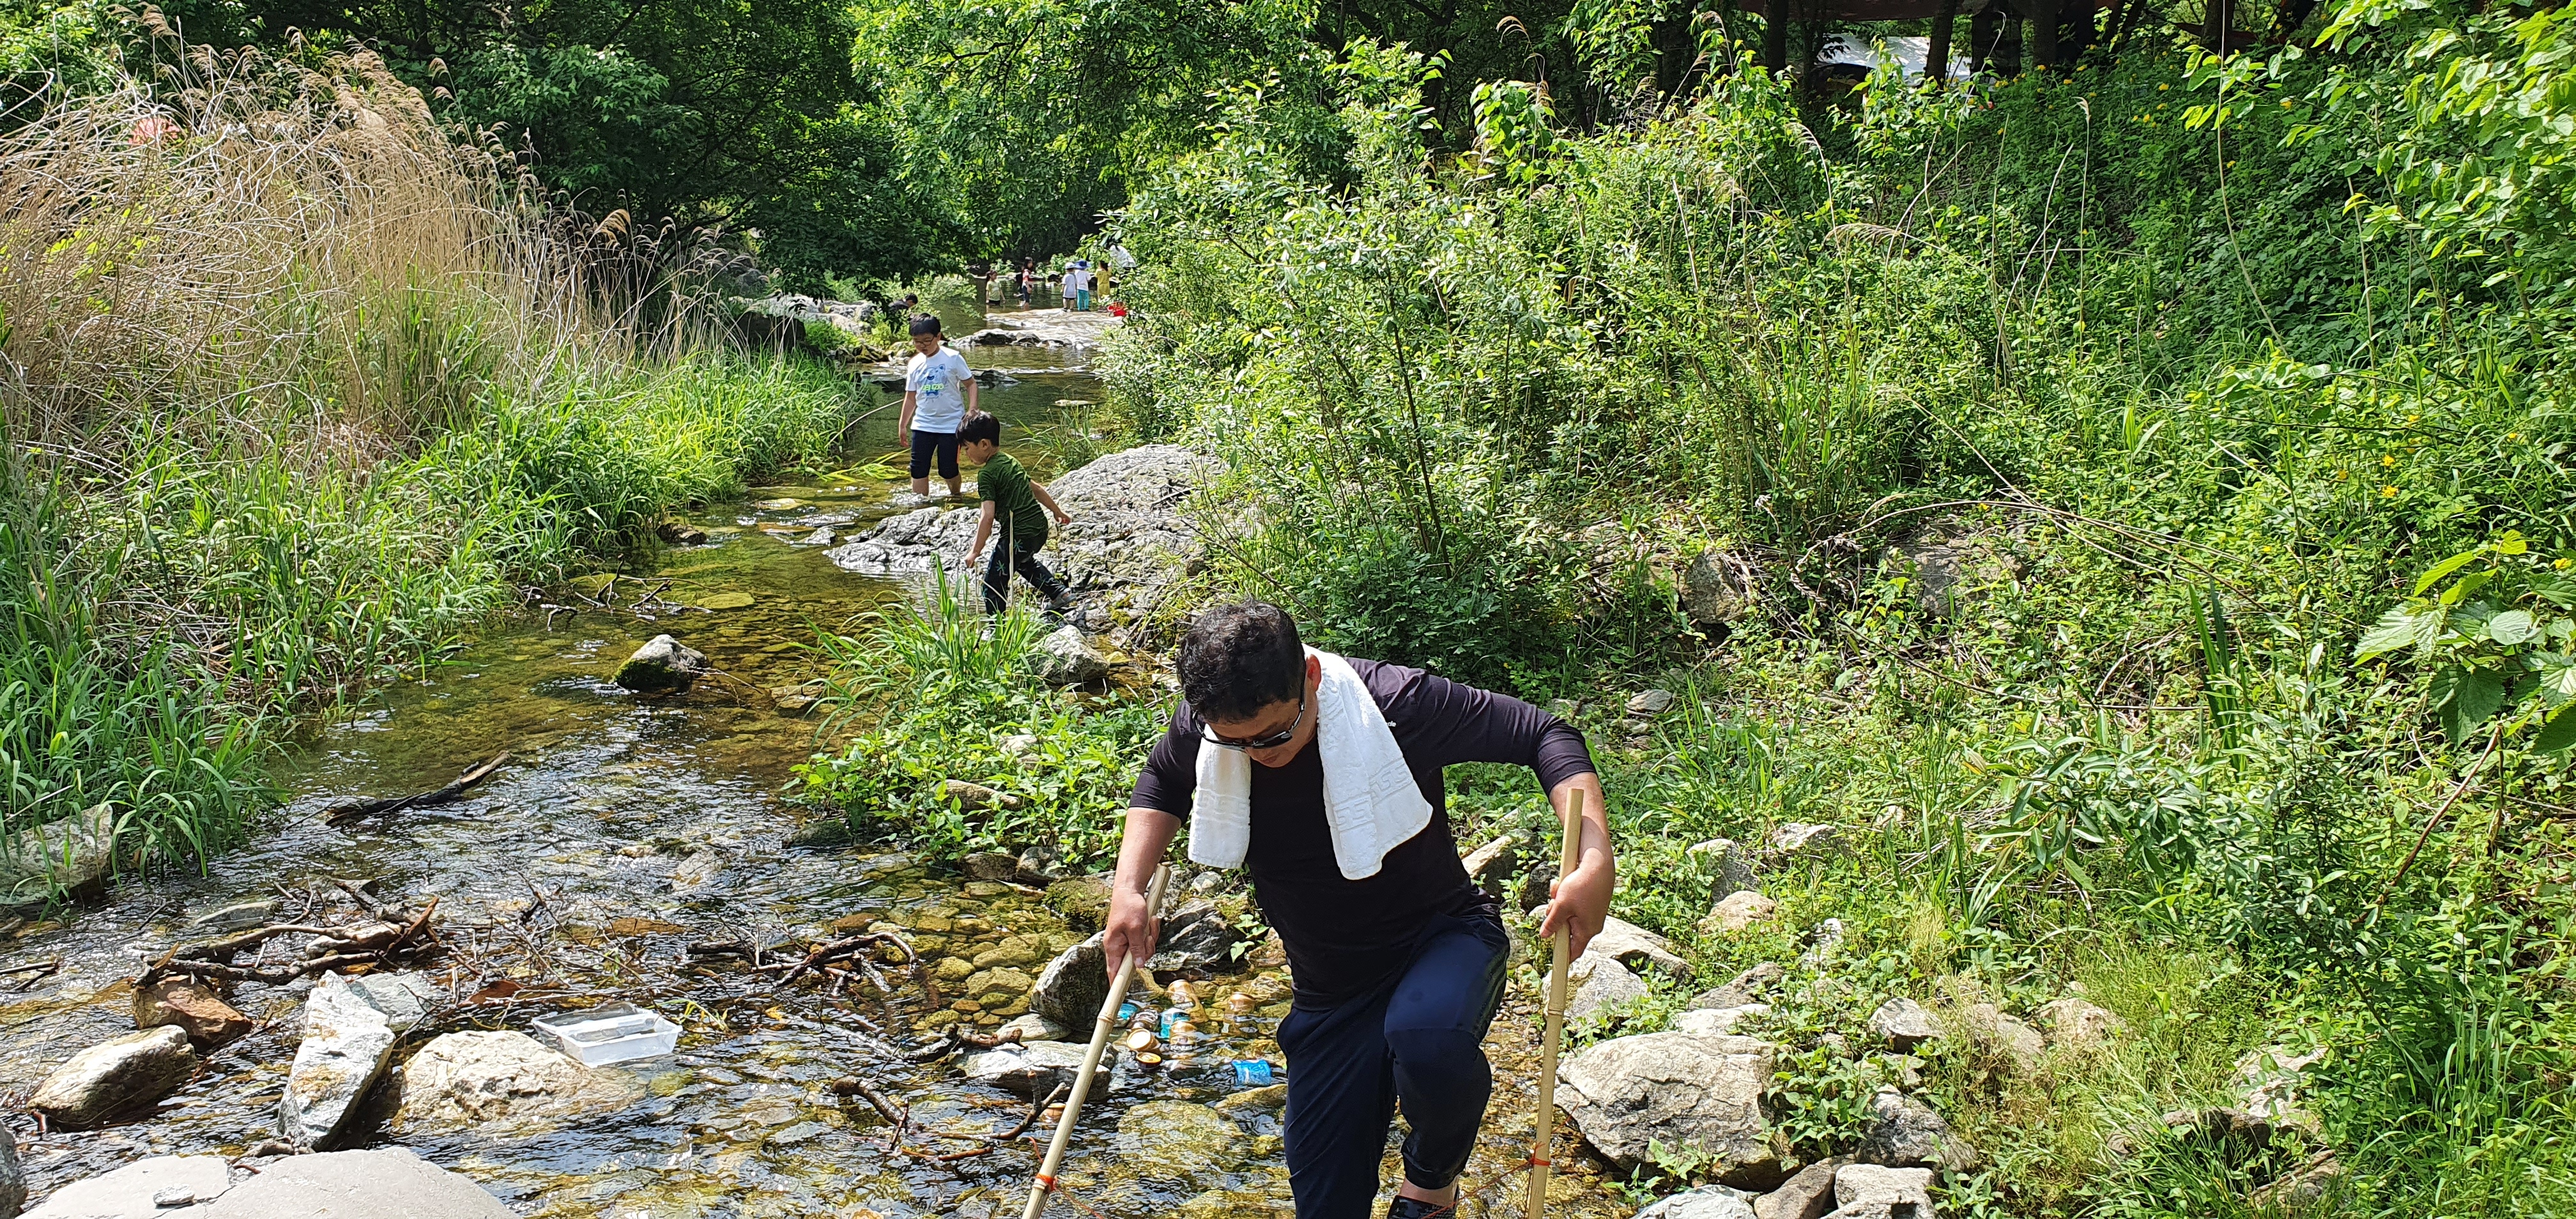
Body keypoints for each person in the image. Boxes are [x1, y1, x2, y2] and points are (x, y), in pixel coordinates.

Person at [1105, 603, 1614, 1219]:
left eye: (1271, 735)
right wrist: (1128, 887)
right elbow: (1162, 781)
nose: (1254, 755)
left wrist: (1593, 855)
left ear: (1310, 678)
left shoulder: (1395, 704)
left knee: (1425, 1039)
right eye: (1232, 744)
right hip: (1330, 990)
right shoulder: (1213, 728)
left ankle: (1431, 1185)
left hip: (1443, 940)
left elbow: (1542, 733)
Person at [959, 411, 1073, 615]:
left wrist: (975, 551)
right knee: (1023, 562)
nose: (965, 454)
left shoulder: (986, 474)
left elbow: (987, 516)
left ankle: (997, 630)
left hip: (1018, 534)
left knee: (992, 584)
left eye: (967, 448)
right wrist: (1056, 511)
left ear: (984, 444)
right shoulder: (1010, 461)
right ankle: (1059, 594)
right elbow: (1036, 488)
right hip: (1038, 529)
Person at [898, 314, 975, 499]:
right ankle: (920, 508)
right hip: (923, 424)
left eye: (927, 341)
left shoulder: (953, 358)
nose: (922, 346)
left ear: (938, 337)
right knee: (918, 469)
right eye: (917, 342)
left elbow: (971, 384)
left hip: (951, 424)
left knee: (947, 470)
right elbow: (911, 396)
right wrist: (902, 424)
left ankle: (956, 495)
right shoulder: (914, 363)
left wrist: (971, 411)